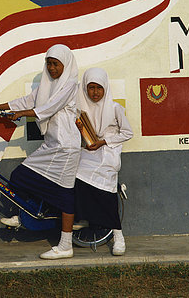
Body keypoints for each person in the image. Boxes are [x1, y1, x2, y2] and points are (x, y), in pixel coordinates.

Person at [0, 44, 82, 260]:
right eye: (48, 63)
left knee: (65, 194)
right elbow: (27, 100)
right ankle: (27, 214)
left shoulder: (69, 86)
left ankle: (65, 245)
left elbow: (48, 109)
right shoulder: (48, 86)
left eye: (56, 64)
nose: (51, 68)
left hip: (66, 147)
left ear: (66, 65)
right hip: (52, 145)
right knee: (20, 176)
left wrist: (19, 114)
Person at [74, 67, 133, 256]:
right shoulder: (81, 110)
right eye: (90, 88)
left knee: (106, 190)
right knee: (75, 174)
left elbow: (127, 133)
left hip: (108, 153)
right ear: (85, 88)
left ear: (105, 88)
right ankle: (83, 216)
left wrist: (104, 141)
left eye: (99, 88)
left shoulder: (115, 108)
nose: (95, 92)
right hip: (90, 152)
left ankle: (118, 236)